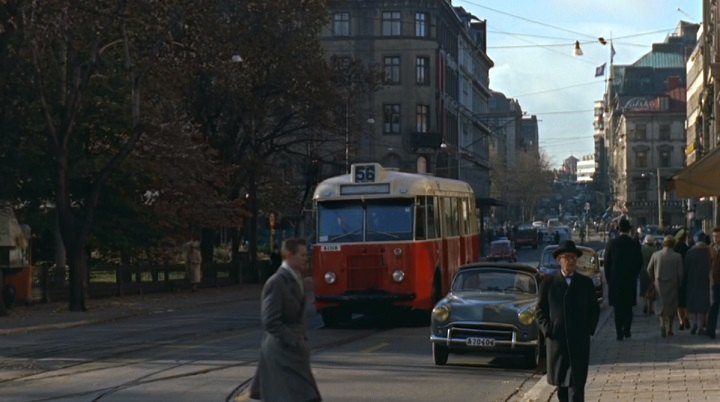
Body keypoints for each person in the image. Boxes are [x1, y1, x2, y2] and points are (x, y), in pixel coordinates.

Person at [250, 238, 321, 402]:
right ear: (289, 255)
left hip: (292, 353)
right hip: (281, 353)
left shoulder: (296, 279)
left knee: (304, 396)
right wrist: (294, 340)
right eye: (302, 255)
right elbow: (270, 321)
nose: (306, 258)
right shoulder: (276, 282)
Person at [536, 240, 600, 402]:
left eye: (574, 258)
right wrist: (548, 330)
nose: (571, 261)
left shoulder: (584, 283)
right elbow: (540, 311)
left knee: (576, 388)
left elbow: (594, 309)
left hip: (578, 342)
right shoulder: (549, 283)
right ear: (559, 260)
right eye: (567, 257)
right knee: (562, 388)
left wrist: (588, 329)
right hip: (558, 344)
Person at [603, 218, 643, 340]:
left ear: (618, 229)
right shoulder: (634, 243)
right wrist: (634, 275)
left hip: (615, 281)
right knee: (628, 307)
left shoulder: (612, 243)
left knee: (618, 308)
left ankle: (619, 333)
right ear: (629, 230)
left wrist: (609, 279)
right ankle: (627, 330)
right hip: (629, 281)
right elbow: (639, 262)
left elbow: (606, 263)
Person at [647, 235, 684, 337]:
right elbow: (680, 273)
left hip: (659, 283)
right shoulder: (677, 256)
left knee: (660, 304)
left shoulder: (656, 255)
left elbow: (649, 269)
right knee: (672, 305)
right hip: (672, 283)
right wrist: (679, 282)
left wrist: (653, 279)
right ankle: (670, 328)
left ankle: (662, 324)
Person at [685, 231, 711, 335]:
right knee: (702, 303)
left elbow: (686, 267)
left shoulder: (690, 252)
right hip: (705, 280)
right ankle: (700, 326)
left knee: (693, 302)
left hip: (692, 280)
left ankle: (694, 324)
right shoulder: (708, 251)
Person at [673, 229, 690, 330]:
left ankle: (681, 321)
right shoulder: (688, 249)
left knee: (679, 302)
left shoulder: (675, 250)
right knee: (685, 300)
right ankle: (686, 316)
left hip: (676, 278)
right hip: (686, 277)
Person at [705, 227, 720, 339]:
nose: (716, 238)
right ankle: (710, 330)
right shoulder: (709, 248)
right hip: (714, 281)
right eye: (714, 236)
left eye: (718, 236)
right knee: (713, 305)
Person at [639, 235, 657, 315]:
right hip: (652, 271)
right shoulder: (655, 250)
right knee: (651, 289)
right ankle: (650, 308)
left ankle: (645, 304)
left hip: (643, 271)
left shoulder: (641, 250)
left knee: (643, 289)